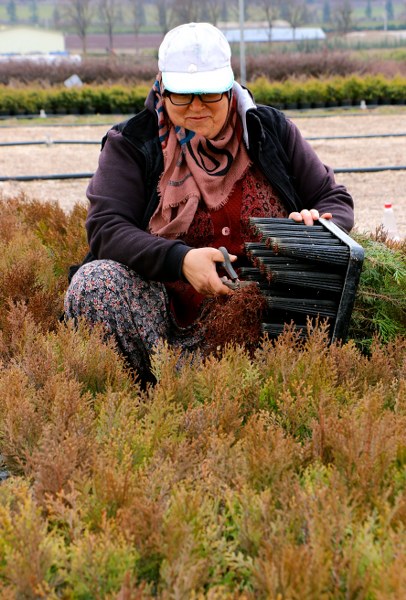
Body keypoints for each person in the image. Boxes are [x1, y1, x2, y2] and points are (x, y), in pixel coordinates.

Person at [64, 22, 354, 383]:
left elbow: (334, 199)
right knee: (95, 283)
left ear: (229, 88)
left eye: (210, 94)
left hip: (269, 318)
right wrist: (180, 260)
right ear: (162, 88)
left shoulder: (269, 130)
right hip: (168, 323)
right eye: (182, 96)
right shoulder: (132, 143)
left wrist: (319, 223)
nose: (196, 107)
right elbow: (107, 227)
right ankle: (154, 394)